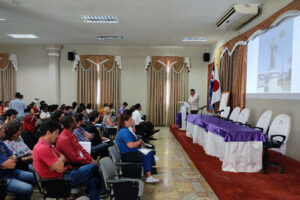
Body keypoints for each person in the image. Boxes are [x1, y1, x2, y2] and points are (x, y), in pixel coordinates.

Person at [33, 120, 102, 200]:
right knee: (94, 166)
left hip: (63, 176)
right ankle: (104, 190)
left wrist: (58, 161)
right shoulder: (42, 148)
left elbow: (63, 158)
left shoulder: (47, 145)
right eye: (56, 133)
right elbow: (60, 168)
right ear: (48, 133)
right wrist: (60, 161)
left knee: (94, 180)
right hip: (60, 182)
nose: (58, 136)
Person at [115, 110, 159, 183]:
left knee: (149, 152)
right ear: (126, 122)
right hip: (128, 155)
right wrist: (139, 142)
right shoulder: (124, 132)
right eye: (130, 119)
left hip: (128, 152)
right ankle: (149, 176)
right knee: (148, 153)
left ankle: (148, 172)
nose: (132, 120)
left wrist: (138, 143)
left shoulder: (124, 130)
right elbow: (130, 145)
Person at [0, 123, 34, 200]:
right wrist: (10, 160)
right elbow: (12, 163)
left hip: (12, 171)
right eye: (1, 129)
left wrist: (8, 161)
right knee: (28, 188)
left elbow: (14, 158)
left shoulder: (1, 143)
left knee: (34, 176)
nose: (3, 130)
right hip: (3, 179)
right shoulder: (6, 142)